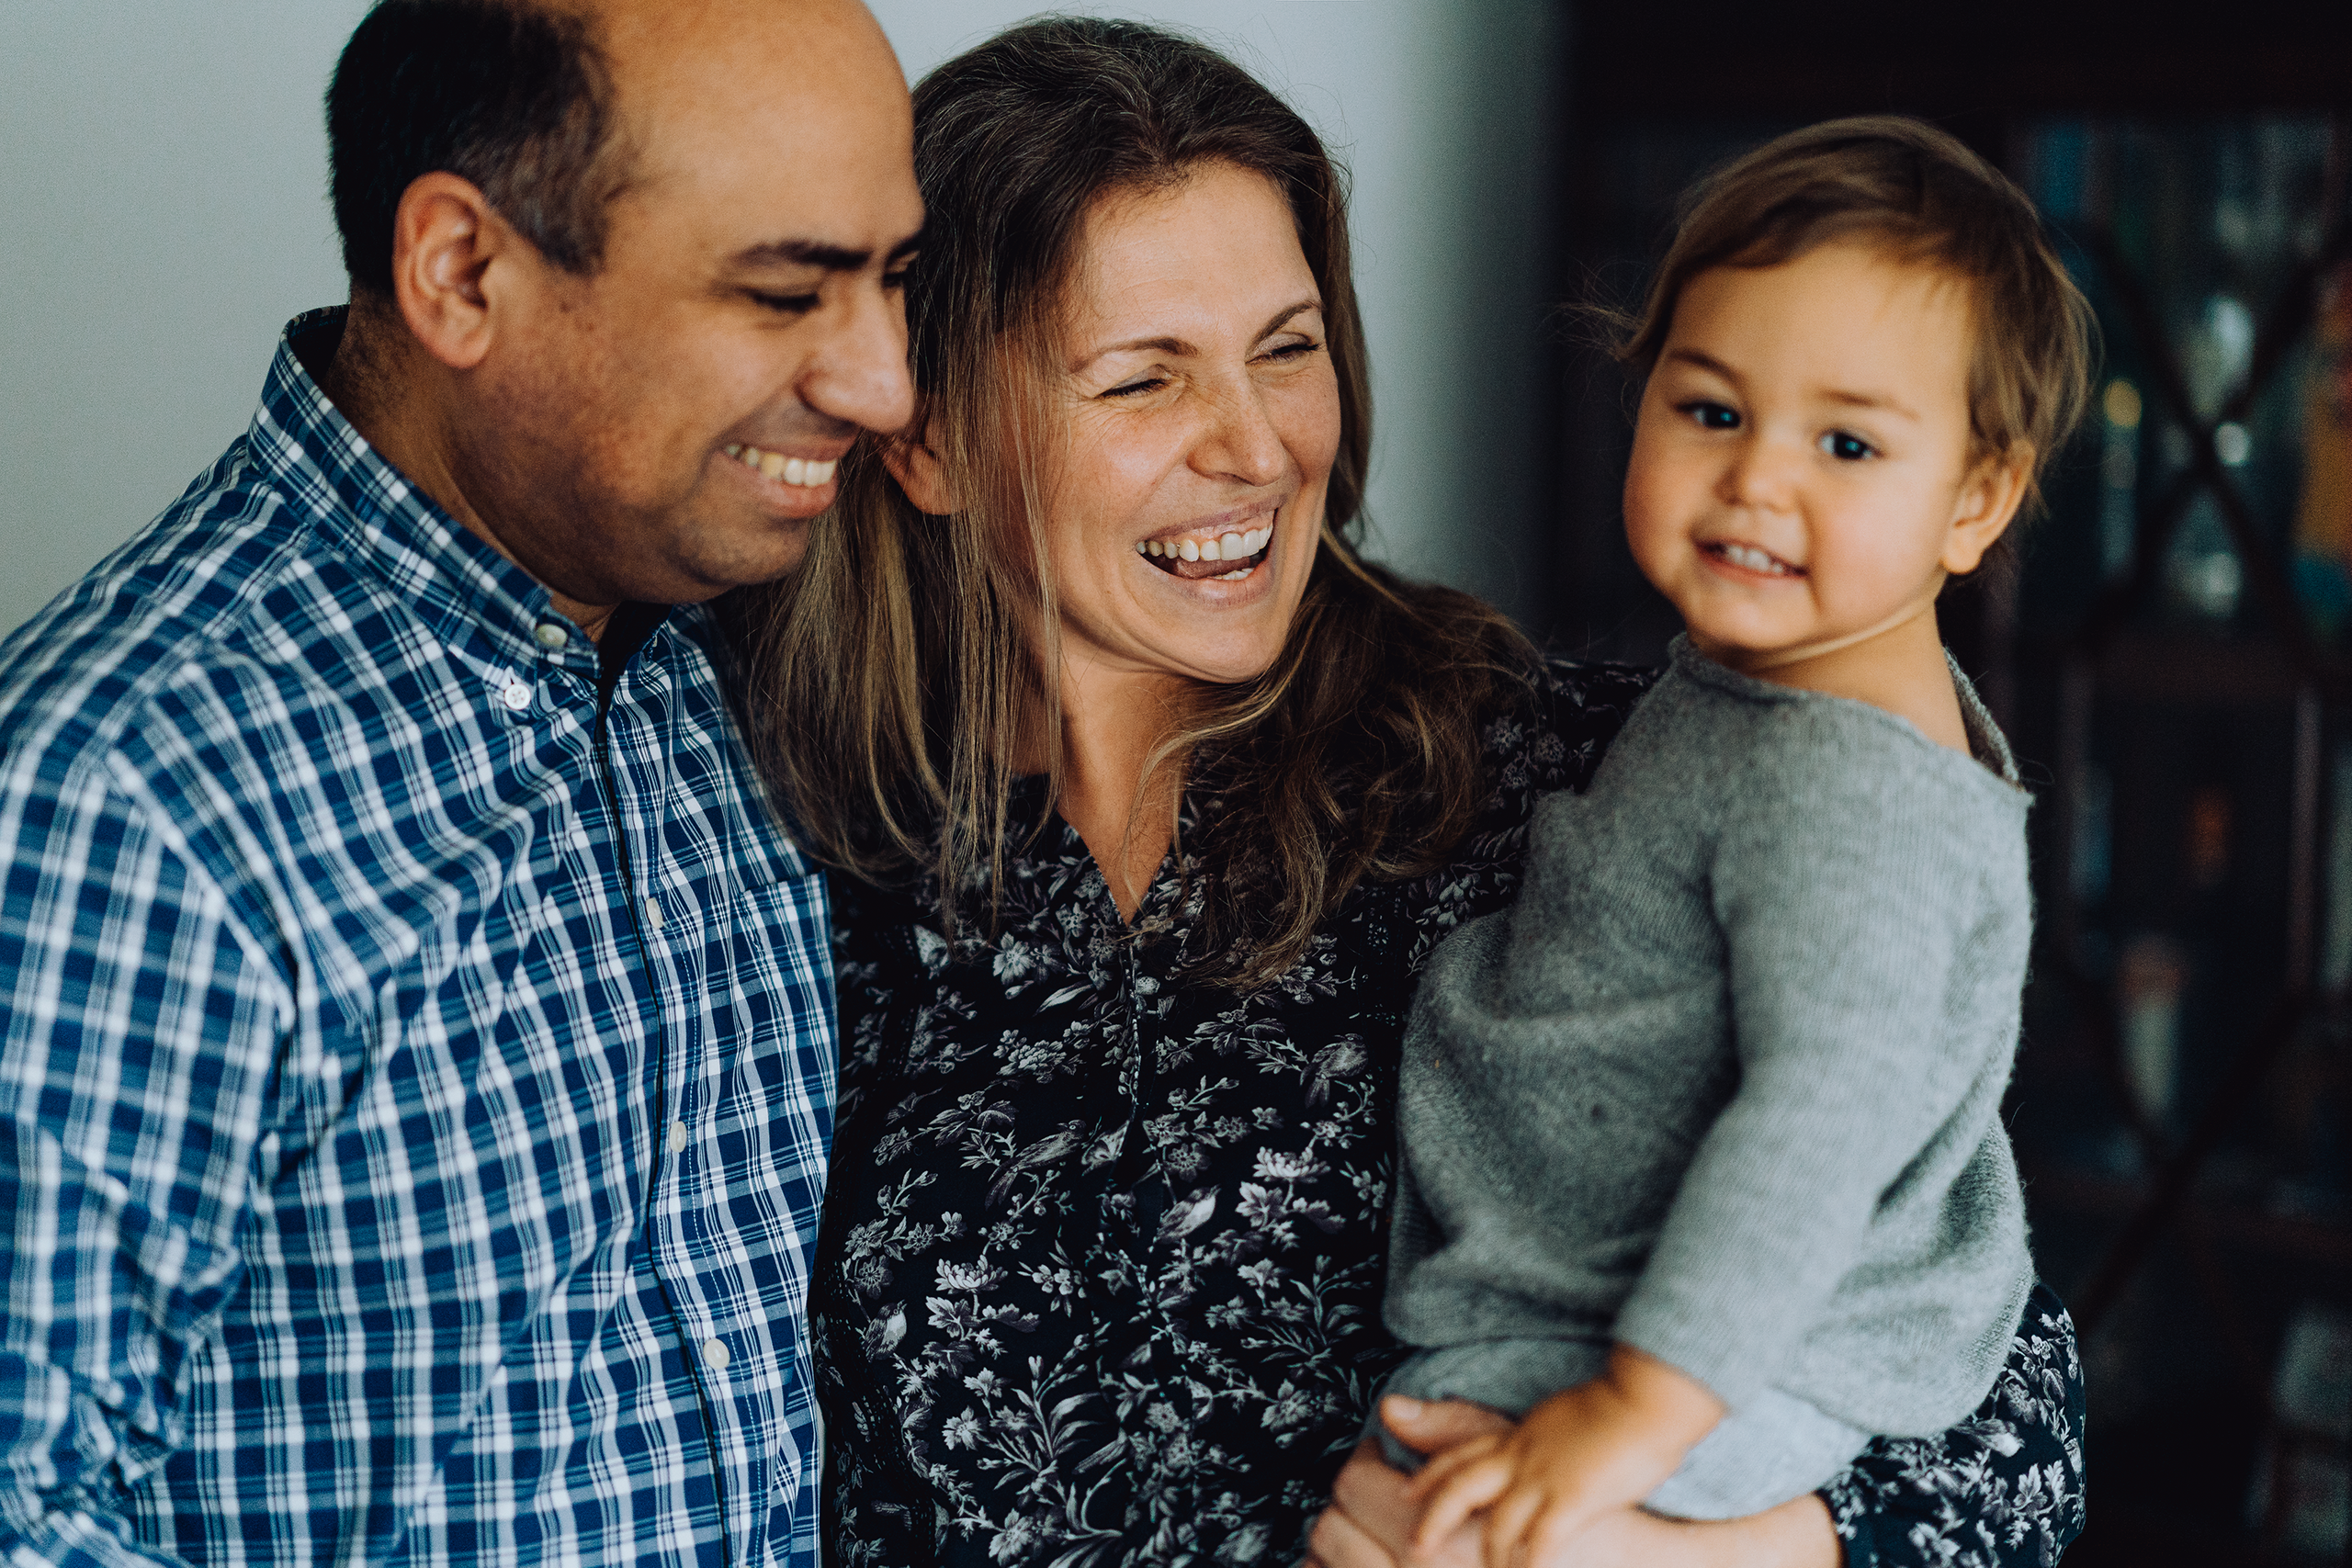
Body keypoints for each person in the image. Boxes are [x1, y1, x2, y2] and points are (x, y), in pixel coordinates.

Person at [727, 19, 2086, 1568]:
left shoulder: (1588, 778)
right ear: (931, 443)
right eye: (1140, 379)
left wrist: (1673, 1552)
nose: (1254, 448)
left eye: (1287, 348)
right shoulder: (808, 860)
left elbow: (1999, 1408)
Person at [0, 3, 919, 1567]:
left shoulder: (721, 646)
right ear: (460, 272)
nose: (884, 384)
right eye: (783, 292)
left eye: (893, 280)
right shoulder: (121, 800)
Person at [1383, 118, 2095, 1568]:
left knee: (1442, 1508)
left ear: (1978, 499)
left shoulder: (1855, 798)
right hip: (1639, 1322)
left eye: (1845, 442)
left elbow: (1817, 1133)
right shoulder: (1767, 685)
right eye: (1710, 408)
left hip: (1699, 1368)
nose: (1759, 479)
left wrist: (1637, 1412)